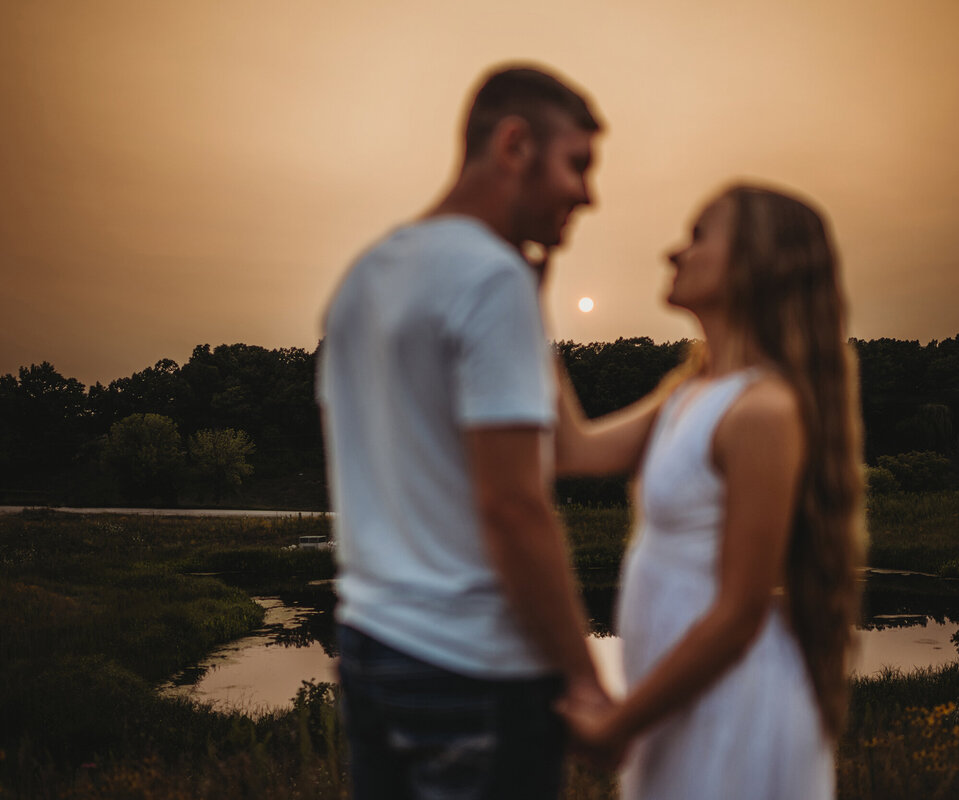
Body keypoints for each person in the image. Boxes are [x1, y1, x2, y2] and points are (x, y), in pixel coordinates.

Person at [317, 65, 608, 800]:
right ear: (514, 145)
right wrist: (583, 678)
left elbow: (560, 449)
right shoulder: (489, 278)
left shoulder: (365, 277)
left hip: (372, 648)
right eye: (578, 164)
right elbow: (512, 506)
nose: (588, 194)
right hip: (475, 668)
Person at [556, 184, 865, 799]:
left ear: (757, 262)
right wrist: (524, 295)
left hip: (733, 710)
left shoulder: (763, 412)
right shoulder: (687, 393)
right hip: (678, 707)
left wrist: (622, 721)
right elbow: (573, 450)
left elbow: (738, 614)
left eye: (699, 235)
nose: (675, 252)